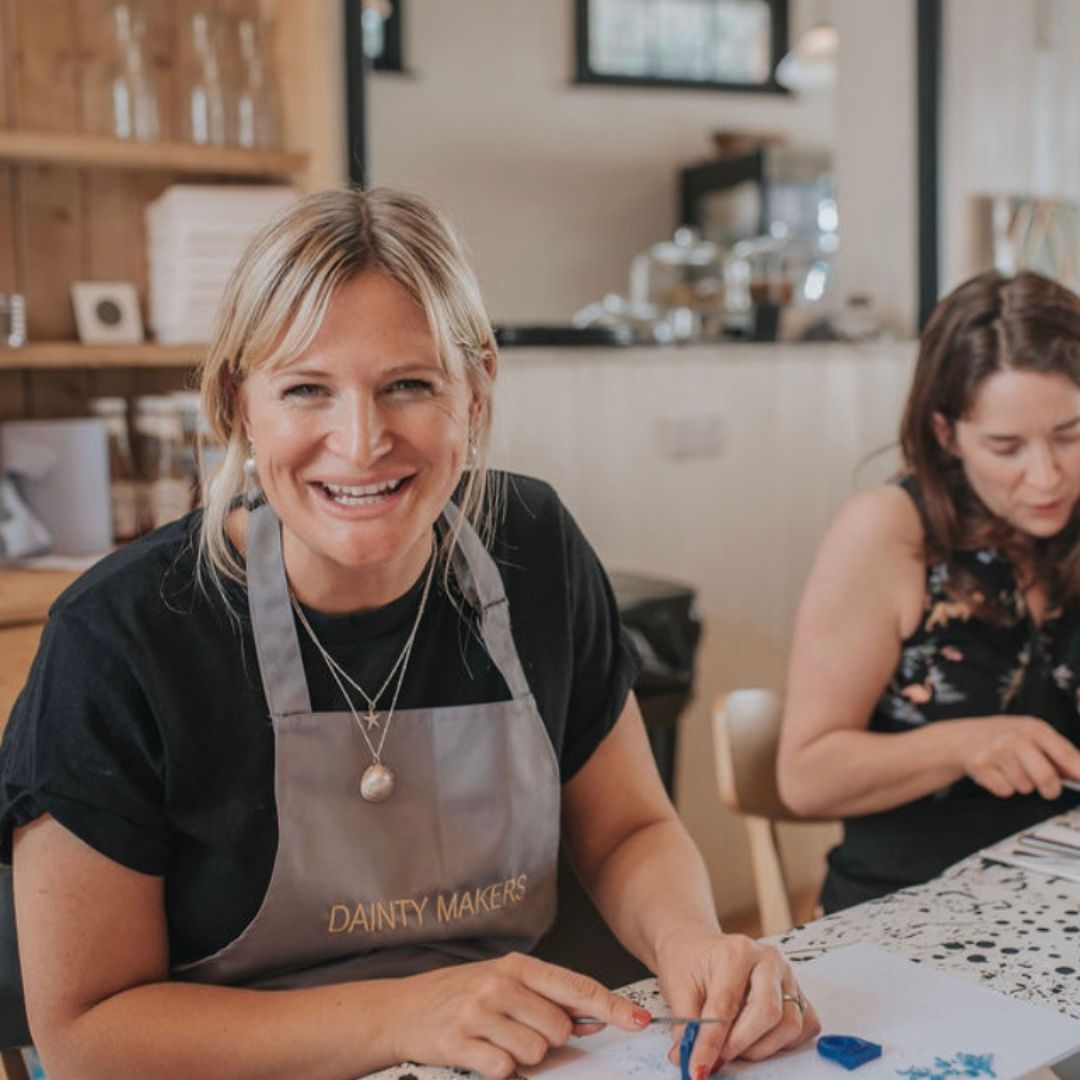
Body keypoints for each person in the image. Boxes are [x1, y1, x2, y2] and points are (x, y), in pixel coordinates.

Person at [0, 188, 818, 1080]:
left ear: (475, 392)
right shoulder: (122, 636)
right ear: (240, 402)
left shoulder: (532, 549)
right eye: (307, 389)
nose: (360, 442)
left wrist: (691, 941)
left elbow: (626, 830)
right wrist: (401, 1017)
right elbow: (86, 1035)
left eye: (409, 386)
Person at [778, 269, 1080, 914]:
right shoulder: (889, 531)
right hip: (912, 903)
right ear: (947, 435)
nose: (1047, 475)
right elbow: (804, 778)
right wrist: (966, 744)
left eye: (1070, 434)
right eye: (1005, 446)